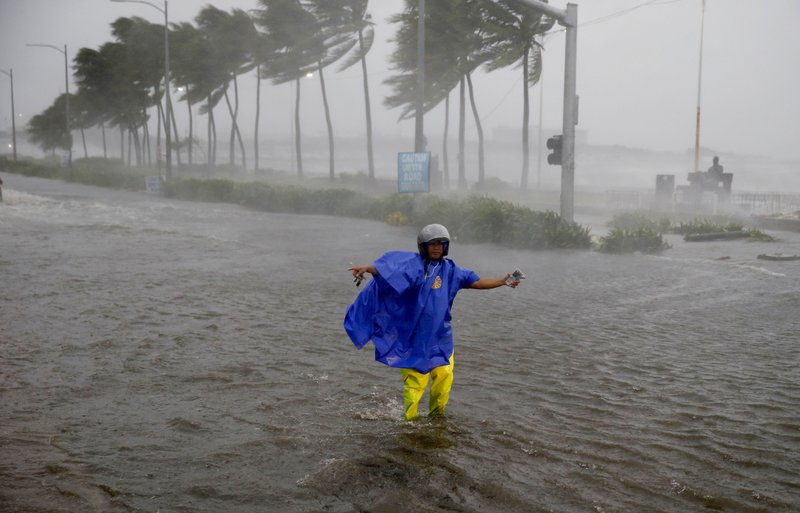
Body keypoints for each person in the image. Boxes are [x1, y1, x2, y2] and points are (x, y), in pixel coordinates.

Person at [344, 223, 520, 420]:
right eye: (432, 244)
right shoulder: (412, 266)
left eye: (441, 243)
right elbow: (390, 270)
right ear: (423, 246)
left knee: (444, 379)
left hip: (441, 338)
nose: (437, 247)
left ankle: (437, 419)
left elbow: (476, 281)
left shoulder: (451, 270)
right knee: (415, 384)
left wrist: (502, 281)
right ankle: (409, 423)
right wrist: (368, 268)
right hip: (413, 340)